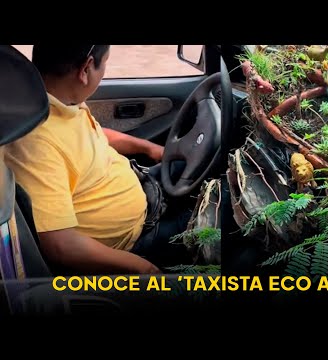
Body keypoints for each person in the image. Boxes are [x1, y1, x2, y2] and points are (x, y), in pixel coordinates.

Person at [5, 45, 191, 275]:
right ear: (85, 69)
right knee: (224, 218)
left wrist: (149, 148)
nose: (104, 73)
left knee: (190, 161)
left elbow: (95, 134)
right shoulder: (37, 144)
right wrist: (142, 267)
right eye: (105, 64)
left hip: (142, 189)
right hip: (135, 244)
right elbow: (60, 244)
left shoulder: (58, 100)